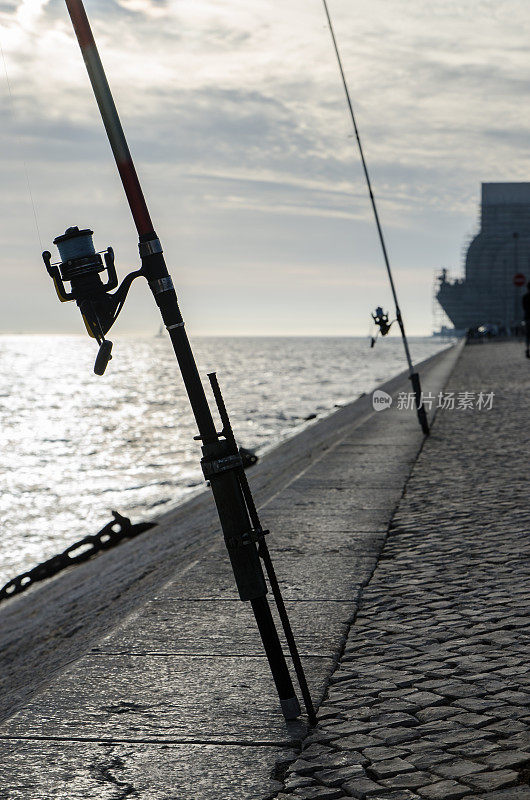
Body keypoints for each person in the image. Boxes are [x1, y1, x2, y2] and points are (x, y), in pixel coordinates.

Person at [523, 282, 530, 358]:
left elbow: (524, 307)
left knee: (527, 335)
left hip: (527, 318)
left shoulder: (525, 297)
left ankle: (527, 350)